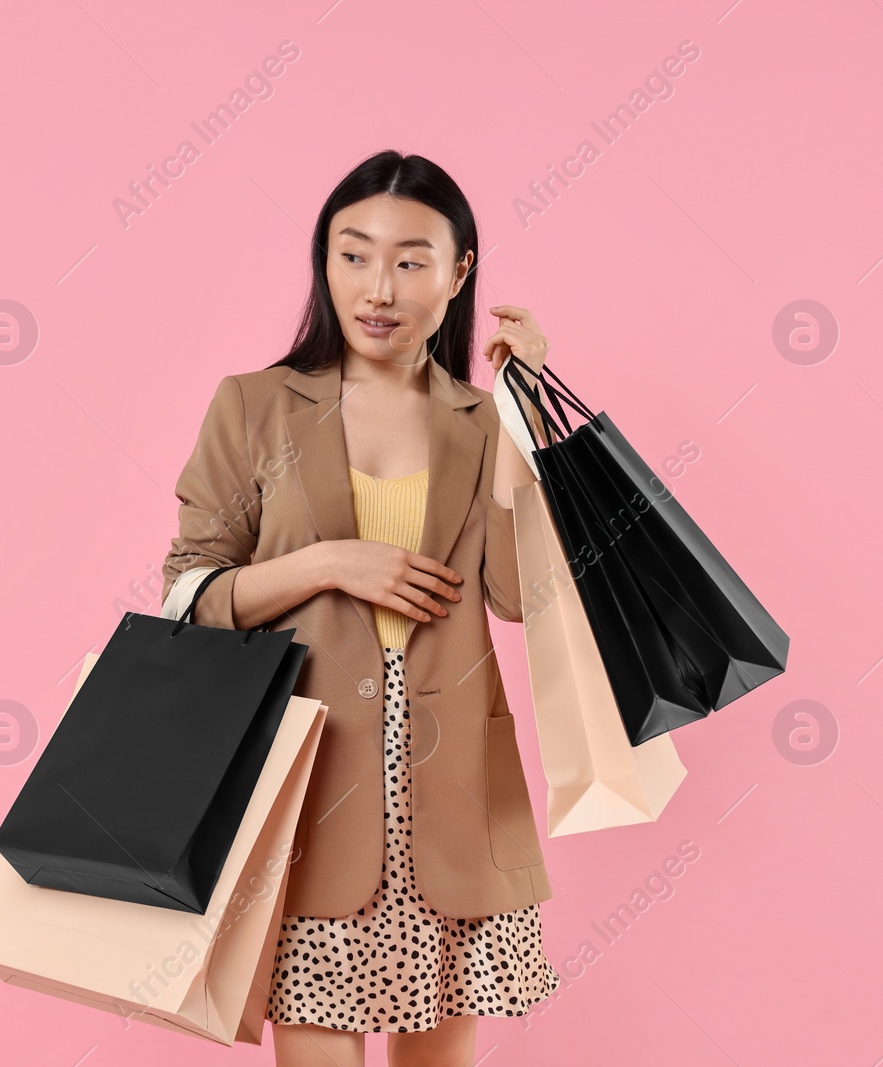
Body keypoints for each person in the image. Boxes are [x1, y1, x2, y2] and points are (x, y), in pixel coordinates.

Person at [160, 150, 558, 1066]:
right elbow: (189, 596)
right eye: (354, 254)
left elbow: (511, 596)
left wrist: (524, 414)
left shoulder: (484, 420)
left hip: (454, 802)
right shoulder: (255, 406)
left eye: (412, 259)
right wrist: (329, 561)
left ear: (460, 274)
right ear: (324, 262)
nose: (379, 286)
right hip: (307, 800)